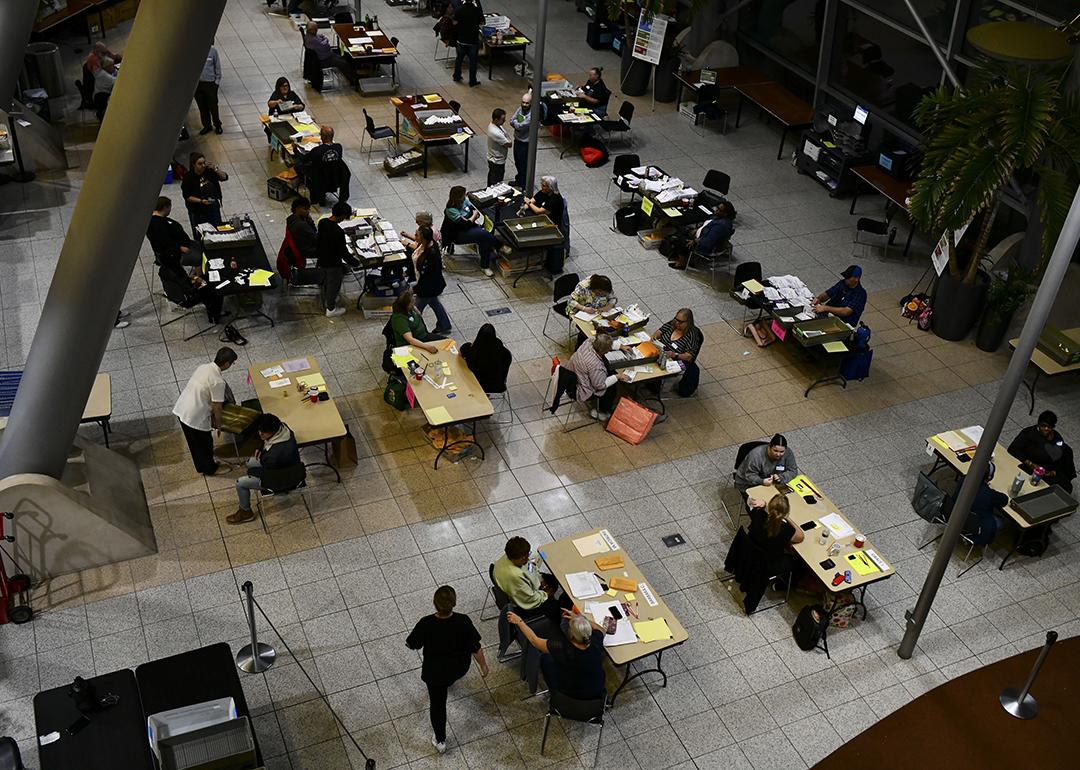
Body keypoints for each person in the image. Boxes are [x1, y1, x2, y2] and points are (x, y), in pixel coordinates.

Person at [405, 586, 488, 754]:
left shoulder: (426, 623)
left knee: (437, 705)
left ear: (435, 604)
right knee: (449, 680)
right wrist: (483, 666)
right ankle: (449, 682)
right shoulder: (463, 621)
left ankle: (440, 741)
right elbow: (476, 648)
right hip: (458, 668)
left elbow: (412, 643)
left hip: (435, 673)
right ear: (454, 603)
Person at [507, 608, 606, 701]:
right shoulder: (595, 642)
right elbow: (601, 630)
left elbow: (535, 641)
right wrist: (581, 621)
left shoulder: (564, 648)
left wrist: (519, 621)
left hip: (570, 695)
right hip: (597, 691)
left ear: (571, 635)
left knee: (546, 659)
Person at [172, 347, 237, 476]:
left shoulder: (203, 367)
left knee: (194, 444)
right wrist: (219, 425)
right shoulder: (217, 381)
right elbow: (217, 406)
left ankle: (201, 466)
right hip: (195, 416)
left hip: (182, 409)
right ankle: (210, 468)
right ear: (227, 364)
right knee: (205, 444)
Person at [227, 413, 301, 524]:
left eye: (264, 432)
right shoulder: (284, 429)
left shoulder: (274, 455)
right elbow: (265, 442)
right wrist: (260, 447)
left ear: (272, 431)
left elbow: (267, 473)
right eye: (260, 430)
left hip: (280, 479)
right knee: (251, 462)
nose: (260, 434)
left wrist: (251, 472)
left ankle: (246, 512)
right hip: (291, 468)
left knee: (240, 483)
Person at [492, 536, 568, 624]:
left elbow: (530, 567)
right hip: (522, 605)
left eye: (527, 555)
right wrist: (546, 595)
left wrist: (542, 581)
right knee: (555, 607)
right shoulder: (515, 575)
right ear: (514, 558)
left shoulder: (512, 555)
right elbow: (529, 598)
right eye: (523, 558)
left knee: (552, 580)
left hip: (526, 586)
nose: (527, 559)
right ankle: (556, 625)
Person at [1008, 410, 1076, 493]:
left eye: (1050, 427)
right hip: (1030, 466)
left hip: (1048, 469)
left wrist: (1053, 472)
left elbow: (1060, 456)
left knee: (1065, 487)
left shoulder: (1057, 438)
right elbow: (1013, 448)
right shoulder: (1029, 433)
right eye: (1043, 426)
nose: (1046, 429)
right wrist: (1030, 464)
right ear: (1039, 424)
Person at [565, 334, 630, 418]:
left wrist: (620, 346)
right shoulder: (595, 365)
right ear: (605, 351)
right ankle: (602, 412)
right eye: (608, 349)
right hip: (576, 389)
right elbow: (600, 385)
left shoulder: (588, 342)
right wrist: (617, 376)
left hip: (568, 375)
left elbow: (600, 342)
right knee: (611, 389)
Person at [443, 186, 500, 277]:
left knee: (483, 238)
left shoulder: (464, 201)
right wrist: (472, 217)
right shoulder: (451, 210)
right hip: (457, 234)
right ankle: (499, 246)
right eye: (463, 195)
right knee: (483, 235)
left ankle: (485, 266)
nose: (465, 197)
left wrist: (471, 218)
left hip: (469, 228)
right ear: (458, 197)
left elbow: (474, 211)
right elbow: (466, 223)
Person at [745, 493, 804, 578]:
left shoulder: (758, 514)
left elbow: (751, 502)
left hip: (748, 553)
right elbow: (800, 536)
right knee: (797, 561)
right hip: (767, 563)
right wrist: (787, 517)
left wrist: (763, 505)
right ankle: (783, 584)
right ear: (786, 512)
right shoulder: (787, 529)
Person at [316, 201, 358, 318]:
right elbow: (343, 252)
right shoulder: (338, 231)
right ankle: (331, 308)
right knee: (334, 285)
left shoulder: (323, 222)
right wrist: (355, 262)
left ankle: (328, 299)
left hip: (322, 258)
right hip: (332, 263)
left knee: (327, 282)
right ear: (342, 215)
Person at [667, 201, 736, 270]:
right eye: (717, 207)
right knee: (682, 229)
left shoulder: (720, 226)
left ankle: (682, 262)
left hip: (704, 245)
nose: (716, 210)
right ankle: (683, 255)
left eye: (719, 210)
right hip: (701, 235)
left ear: (725, 214)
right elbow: (707, 227)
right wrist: (697, 230)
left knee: (675, 239)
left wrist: (694, 241)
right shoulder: (721, 219)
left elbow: (708, 241)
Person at [651, 308, 704, 397]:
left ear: (688, 322)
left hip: (674, 358)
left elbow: (689, 356)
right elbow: (660, 331)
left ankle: (655, 386)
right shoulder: (673, 323)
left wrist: (675, 354)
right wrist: (655, 337)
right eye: (676, 320)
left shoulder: (692, 335)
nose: (677, 323)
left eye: (681, 322)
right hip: (661, 351)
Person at [521, 175, 566, 273]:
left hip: (550, 225)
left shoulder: (555, 200)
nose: (542, 187)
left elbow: (539, 211)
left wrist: (528, 203)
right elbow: (533, 199)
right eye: (542, 185)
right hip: (541, 219)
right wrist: (525, 207)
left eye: (545, 186)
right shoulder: (543, 192)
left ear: (551, 187)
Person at [733, 434, 800, 500]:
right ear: (769, 447)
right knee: (766, 505)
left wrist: (780, 477)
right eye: (775, 451)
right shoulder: (756, 456)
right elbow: (749, 476)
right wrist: (762, 481)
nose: (778, 454)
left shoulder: (788, 453)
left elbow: (793, 470)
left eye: (782, 452)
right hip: (748, 483)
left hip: (771, 483)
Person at [413, 225, 452, 334]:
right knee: (434, 303)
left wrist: (415, 289)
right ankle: (445, 325)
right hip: (430, 285)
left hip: (427, 288)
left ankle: (414, 331)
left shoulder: (431, 255)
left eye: (417, 235)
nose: (414, 236)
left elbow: (427, 278)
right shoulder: (427, 245)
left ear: (424, 239)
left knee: (415, 310)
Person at [959, 462, 1010, 545]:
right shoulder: (989, 494)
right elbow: (1004, 500)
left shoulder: (963, 479)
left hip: (958, 516)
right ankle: (972, 537)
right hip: (976, 523)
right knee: (1000, 522)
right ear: (989, 477)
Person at [181, 152, 228, 235]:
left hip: (213, 206)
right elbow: (187, 196)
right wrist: (201, 201)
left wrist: (216, 169)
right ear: (193, 165)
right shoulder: (188, 177)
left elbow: (224, 177)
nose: (203, 165)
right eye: (200, 164)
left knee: (217, 229)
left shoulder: (209, 171)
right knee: (201, 233)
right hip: (197, 211)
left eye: (204, 163)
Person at [299, 125, 348, 205]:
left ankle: (313, 191)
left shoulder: (317, 150)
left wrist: (295, 149)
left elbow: (304, 159)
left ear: (323, 137)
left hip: (320, 177)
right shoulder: (339, 147)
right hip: (336, 176)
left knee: (298, 167)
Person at [460, 323, 512, 393]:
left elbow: (464, 348)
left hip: (478, 385)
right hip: (498, 384)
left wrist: (472, 345)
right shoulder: (502, 349)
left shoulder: (475, 352)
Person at [305, 21, 357, 87]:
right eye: (315, 29)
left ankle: (354, 73)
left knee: (345, 55)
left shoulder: (312, 35)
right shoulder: (312, 40)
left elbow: (322, 37)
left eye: (316, 28)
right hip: (323, 60)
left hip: (326, 54)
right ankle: (354, 80)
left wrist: (324, 41)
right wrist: (325, 41)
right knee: (342, 63)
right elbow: (326, 46)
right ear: (309, 30)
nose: (316, 30)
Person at [147, 196, 193, 270]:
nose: (170, 210)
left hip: (177, 249)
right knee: (199, 257)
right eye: (170, 207)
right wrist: (180, 248)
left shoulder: (158, 220)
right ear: (165, 207)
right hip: (174, 253)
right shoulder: (157, 224)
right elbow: (164, 241)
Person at [509, 91, 544, 188]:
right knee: (518, 162)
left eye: (527, 103)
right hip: (518, 140)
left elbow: (521, 126)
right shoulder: (520, 109)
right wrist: (516, 124)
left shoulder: (532, 114)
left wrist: (516, 124)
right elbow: (511, 120)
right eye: (523, 102)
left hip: (526, 143)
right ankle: (519, 180)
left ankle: (524, 185)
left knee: (524, 164)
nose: (524, 105)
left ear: (531, 103)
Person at [452, 0, 483, 86]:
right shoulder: (476, 10)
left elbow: (454, 22)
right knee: (473, 61)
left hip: (461, 39)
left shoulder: (459, 9)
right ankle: (472, 81)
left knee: (459, 59)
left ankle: (457, 76)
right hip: (472, 40)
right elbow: (482, 22)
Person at [194, 43, 223, 135]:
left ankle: (217, 125)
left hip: (210, 83)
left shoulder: (213, 51)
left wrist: (216, 82)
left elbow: (217, 66)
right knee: (202, 106)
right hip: (198, 84)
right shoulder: (193, 51)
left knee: (213, 106)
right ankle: (207, 126)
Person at [486, 108, 512, 185]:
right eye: (503, 119)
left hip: (494, 159)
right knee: (496, 182)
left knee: (491, 177)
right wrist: (508, 138)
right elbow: (509, 144)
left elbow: (506, 135)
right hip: (497, 161)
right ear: (496, 119)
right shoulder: (495, 132)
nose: (505, 121)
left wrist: (507, 137)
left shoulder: (496, 125)